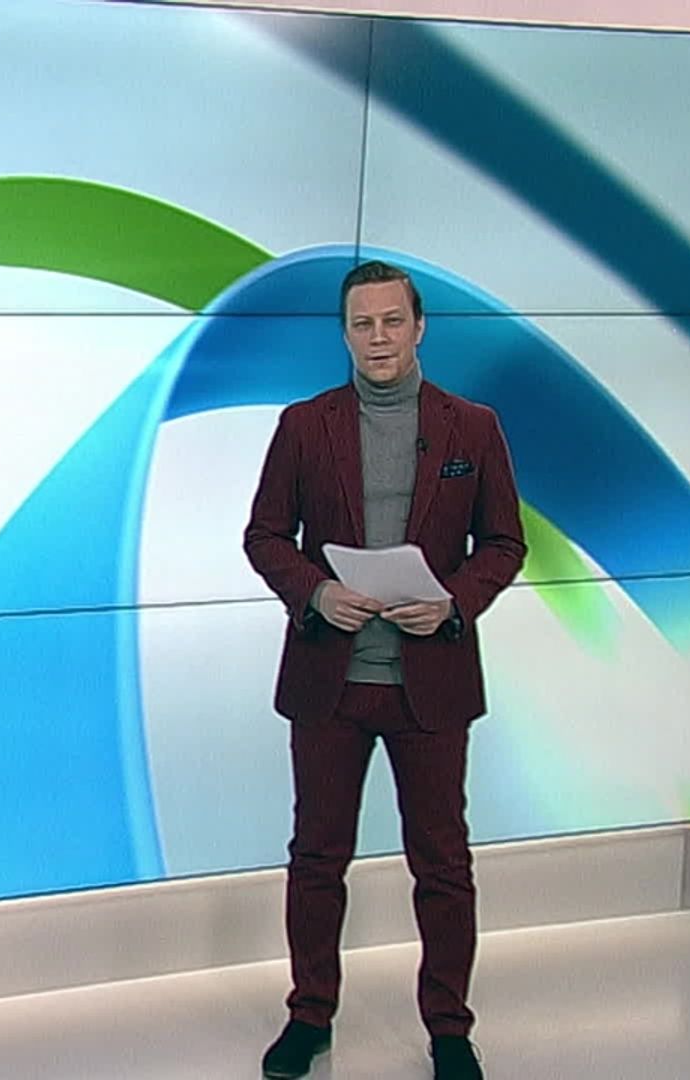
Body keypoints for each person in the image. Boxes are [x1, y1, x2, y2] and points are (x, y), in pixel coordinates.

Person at [242, 260, 527, 1080]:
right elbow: (265, 535)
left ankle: (450, 1030)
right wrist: (316, 592)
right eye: (362, 324)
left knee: (442, 865)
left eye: (392, 321)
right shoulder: (305, 425)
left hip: (429, 684)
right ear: (345, 333)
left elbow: (504, 543)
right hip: (329, 683)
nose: (378, 338)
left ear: (419, 326)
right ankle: (310, 1014)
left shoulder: (473, 428)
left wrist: (453, 603)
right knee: (316, 858)